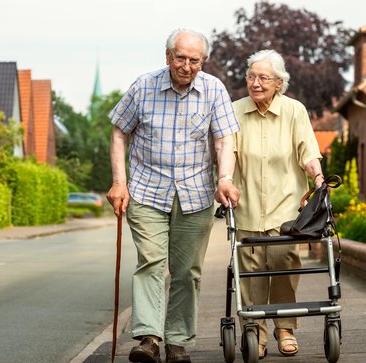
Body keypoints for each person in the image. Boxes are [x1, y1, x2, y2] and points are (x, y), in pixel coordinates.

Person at [106, 29, 240, 363]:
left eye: (195, 60)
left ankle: (177, 341)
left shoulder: (213, 90)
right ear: (168, 57)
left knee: (187, 272)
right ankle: (149, 338)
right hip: (147, 191)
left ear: (203, 61)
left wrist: (224, 178)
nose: (187, 66)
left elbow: (224, 141)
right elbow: (119, 132)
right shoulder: (143, 87)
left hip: (194, 196)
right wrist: (119, 182)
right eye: (180, 58)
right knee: (151, 261)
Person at [232, 49, 325, 359]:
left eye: (263, 78)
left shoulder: (294, 111)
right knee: (250, 274)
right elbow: (226, 156)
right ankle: (255, 333)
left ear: (278, 82)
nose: (255, 83)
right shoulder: (234, 111)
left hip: (285, 211)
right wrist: (223, 182)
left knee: (284, 266)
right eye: (251, 76)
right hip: (246, 208)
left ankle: (285, 328)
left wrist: (318, 178)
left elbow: (308, 151)